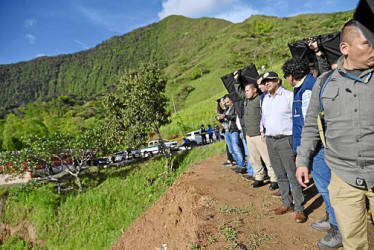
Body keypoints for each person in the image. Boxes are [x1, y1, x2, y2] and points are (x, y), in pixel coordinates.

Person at [296, 20, 374, 249]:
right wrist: (303, 160)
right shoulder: (324, 83)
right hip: (343, 177)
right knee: (353, 242)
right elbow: (311, 125)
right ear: (345, 48)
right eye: (368, 44)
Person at [282, 57, 342, 248]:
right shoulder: (304, 87)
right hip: (313, 148)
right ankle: (331, 218)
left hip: (316, 149)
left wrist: (304, 153)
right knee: (325, 188)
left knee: (326, 187)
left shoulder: (308, 91)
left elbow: (313, 125)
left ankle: (337, 228)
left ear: (291, 77)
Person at [261, 71, 306, 223]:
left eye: (270, 81)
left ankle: (300, 208)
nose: (267, 83)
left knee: (292, 175)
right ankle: (286, 203)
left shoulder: (289, 96)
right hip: (271, 140)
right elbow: (265, 118)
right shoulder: (265, 99)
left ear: (277, 81)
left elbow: (297, 119)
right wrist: (264, 131)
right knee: (280, 174)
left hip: (286, 139)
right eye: (265, 81)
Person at [233, 72, 278, 189]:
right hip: (249, 135)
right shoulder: (246, 100)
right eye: (245, 91)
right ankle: (259, 177)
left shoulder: (260, 99)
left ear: (255, 90)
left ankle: (274, 179)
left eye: (248, 90)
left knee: (267, 158)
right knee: (254, 159)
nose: (245, 92)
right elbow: (239, 92)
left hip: (259, 134)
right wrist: (237, 80)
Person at [218, 94, 247, 173]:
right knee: (231, 150)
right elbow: (225, 116)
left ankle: (242, 166)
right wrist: (221, 118)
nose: (226, 103)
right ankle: (239, 164)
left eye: (227, 102)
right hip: (227, 130)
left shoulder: (235, 107)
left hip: (234, 130)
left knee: (236, 148)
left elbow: (235, 118)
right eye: (225, 102)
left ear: (231, 100)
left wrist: (226, 116)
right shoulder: (227, 109)